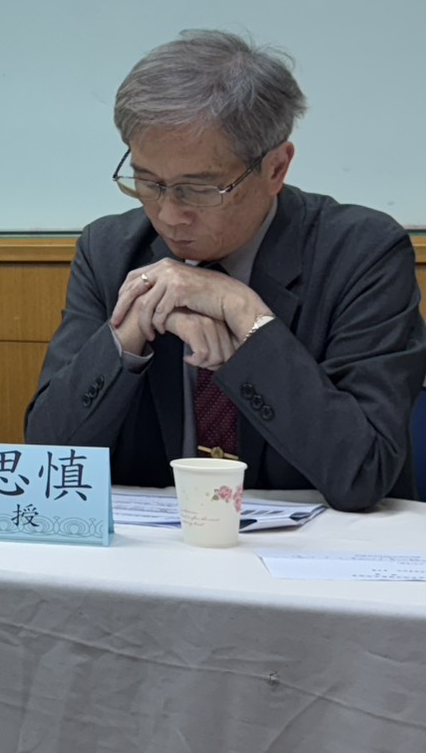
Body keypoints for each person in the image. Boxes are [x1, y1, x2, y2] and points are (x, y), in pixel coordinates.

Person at [26, 30, 426, 511]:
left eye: (199, 189)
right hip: (153, 546)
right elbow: (49, 458)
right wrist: (127, 335)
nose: (169, 214)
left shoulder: (361, 253)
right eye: (148, 182)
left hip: (316, 547)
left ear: (275, 168)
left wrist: (246, 314)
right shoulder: (111, 251)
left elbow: (362, 472)